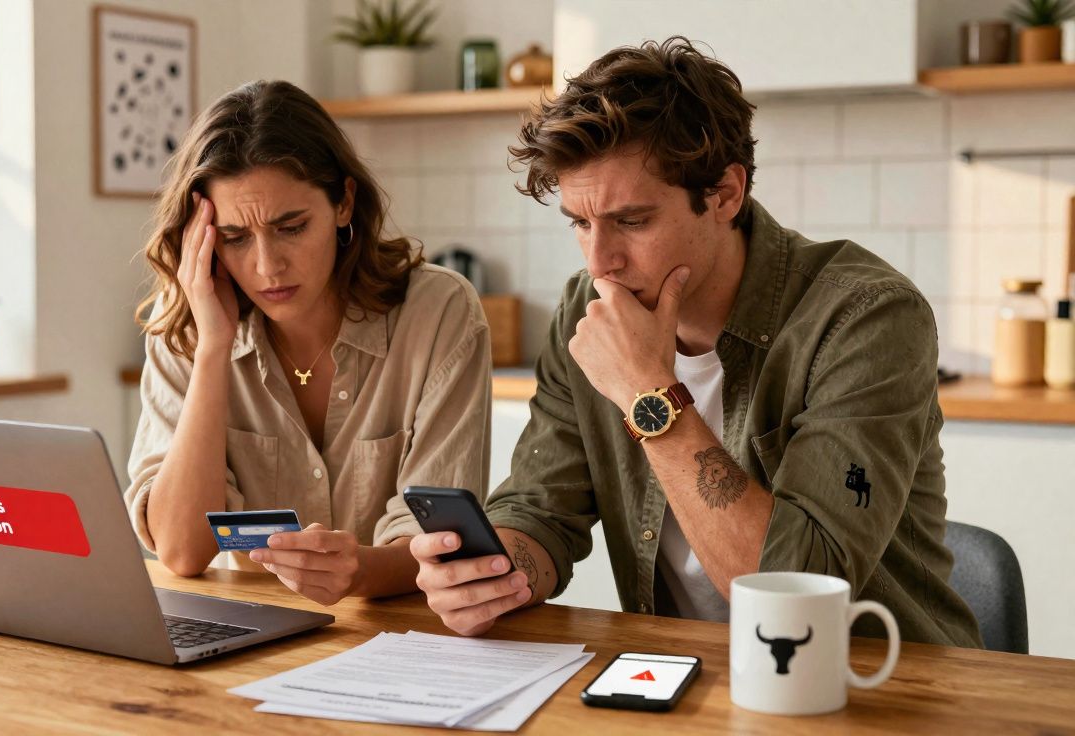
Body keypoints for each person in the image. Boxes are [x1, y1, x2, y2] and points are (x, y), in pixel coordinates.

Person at [409, 38, 983, 647]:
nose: (600, 261)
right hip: (690, 680)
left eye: (632, 221)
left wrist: (647, 393)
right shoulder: (586, 310)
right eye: (580, 223)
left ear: (725, 195)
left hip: (873, 681)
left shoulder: (865, 317)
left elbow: (796, 589)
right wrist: (497, 573)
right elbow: (542, 511)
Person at [127, 80, 491, 607]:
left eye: (291, 227)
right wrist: (212, 350)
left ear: (343, 203)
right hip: (252, 638)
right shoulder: (186, 327)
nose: (267, 266)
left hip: (405, 636)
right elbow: (182, 553)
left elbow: (442, 545)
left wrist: (360, 572)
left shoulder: (438, 314)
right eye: (234, 238)